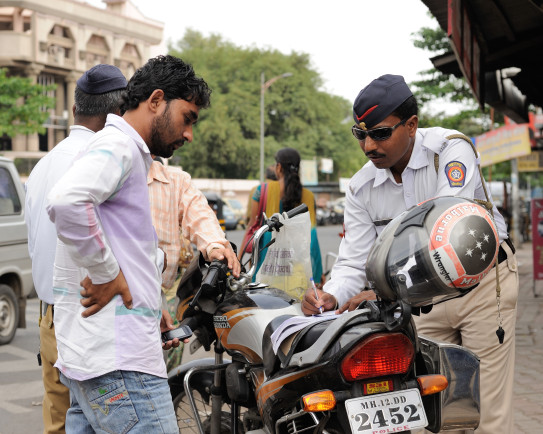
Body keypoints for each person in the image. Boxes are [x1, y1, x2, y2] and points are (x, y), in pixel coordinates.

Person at [301, 74, 519, 434]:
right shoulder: (361, 187)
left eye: (380, 133)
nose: (369, 145)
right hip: (420, 303)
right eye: (361, 134)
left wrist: (385, 288)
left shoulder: (449, 150)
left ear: (412, 125)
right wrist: (330, 295)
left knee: (487, 415)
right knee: (430, 416)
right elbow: (354, 258)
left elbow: (450, 234)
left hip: (481, 290)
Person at [46, 55, 238, 433]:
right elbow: (66, 202)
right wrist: (108, 274)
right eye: (188, 118)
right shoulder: (119, 147)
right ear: (155, 100)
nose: (188, 134)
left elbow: (117, 237)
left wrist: (146, 299)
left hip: (94, 358)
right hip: (121, 364)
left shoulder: (123, 151)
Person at [24, 64, 129, 434]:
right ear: (119, 114)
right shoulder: (109, 163)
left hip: (49, 318)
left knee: (58, 425)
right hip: (91, 323)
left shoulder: (40, 167)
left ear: (74, 111)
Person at [147, 158, 237, 371]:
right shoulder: (109, 172)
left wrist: (215, 246)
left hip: (163, 289)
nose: (188, 136)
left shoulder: (176, 181)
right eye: (186, 123)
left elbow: (200, 217)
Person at [244, 147, 323, 285]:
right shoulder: (309, 196)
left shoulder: (262, 190)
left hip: (266, 266)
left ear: (279, 167)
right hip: (297, 270)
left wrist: (239, 260)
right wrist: (317, 274)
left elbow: (251, 226)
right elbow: (312, 236)